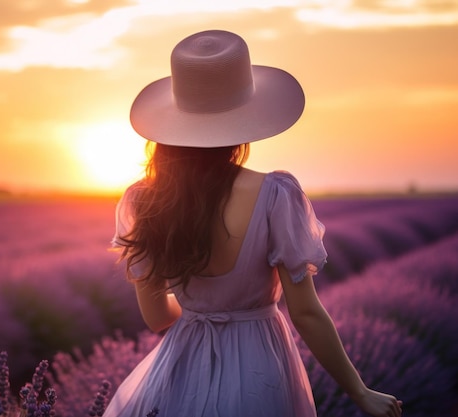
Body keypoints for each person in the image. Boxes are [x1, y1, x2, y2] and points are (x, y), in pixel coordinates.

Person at [104, 30, 402, 417]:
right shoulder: (274, 194)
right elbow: (306, 313)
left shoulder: (145, 201)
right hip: (259, 370)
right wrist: (360, 392)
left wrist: (203, 308)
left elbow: (157, 317)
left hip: (180, 372)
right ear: (244, 120)